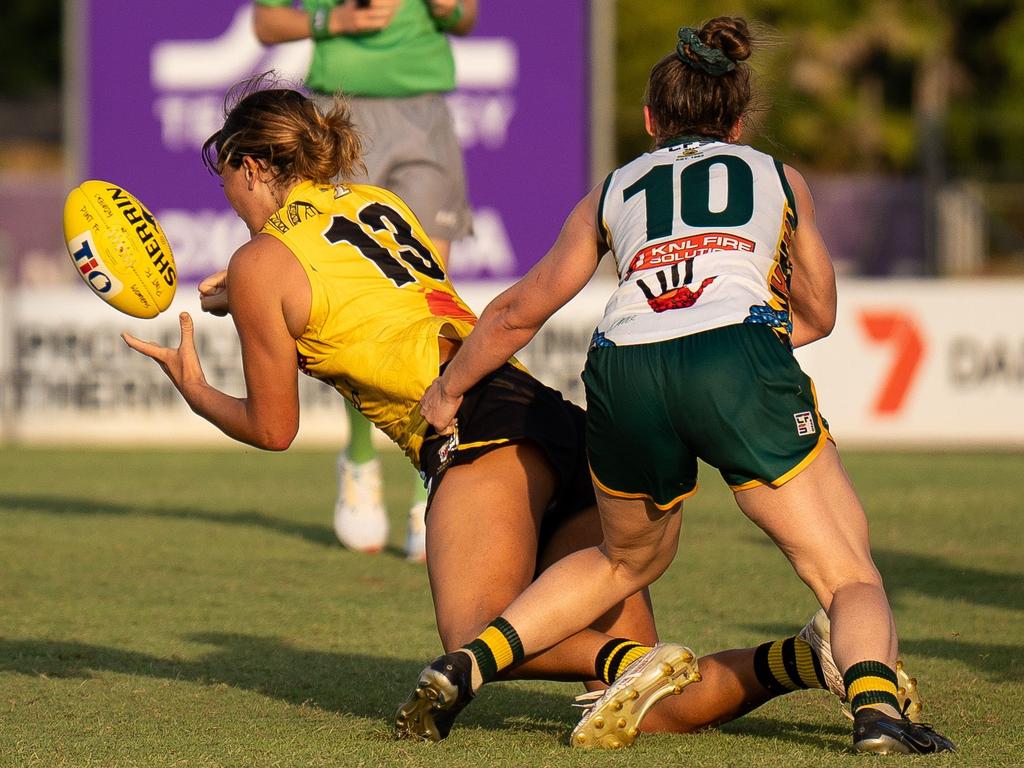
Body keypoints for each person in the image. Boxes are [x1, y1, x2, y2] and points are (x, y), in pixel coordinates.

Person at [121, 77, 927, 750]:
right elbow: (358, 293)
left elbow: (275, 427)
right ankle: (802, 657)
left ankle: (622, 659)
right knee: (651, 701)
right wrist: (242, 291)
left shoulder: (260, 265)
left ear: (252, 165)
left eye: (224, 174)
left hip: (477, 431)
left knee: (476, 631)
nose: (224, 194)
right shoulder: (372, 204)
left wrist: (195, 389)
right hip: (545, 413)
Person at [413, 18, 955, 755]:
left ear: (648, 120)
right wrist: (743, 339)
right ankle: (878, 716)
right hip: (737, 361)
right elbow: (819, 314)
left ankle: (467, 663)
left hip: (625, 360)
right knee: (846, 571)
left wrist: (448, 391)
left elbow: (519, 310)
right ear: (738, 118)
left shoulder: (614, 189)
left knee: (621, 561)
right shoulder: (777, 177)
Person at [251, 0, 478, 560]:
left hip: (424, 111)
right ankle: (358, 463)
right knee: (353, 305)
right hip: (341, 112)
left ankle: (432, 481)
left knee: (428, 302)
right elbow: (267, 21)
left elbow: (464, 17)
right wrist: (336, 22)